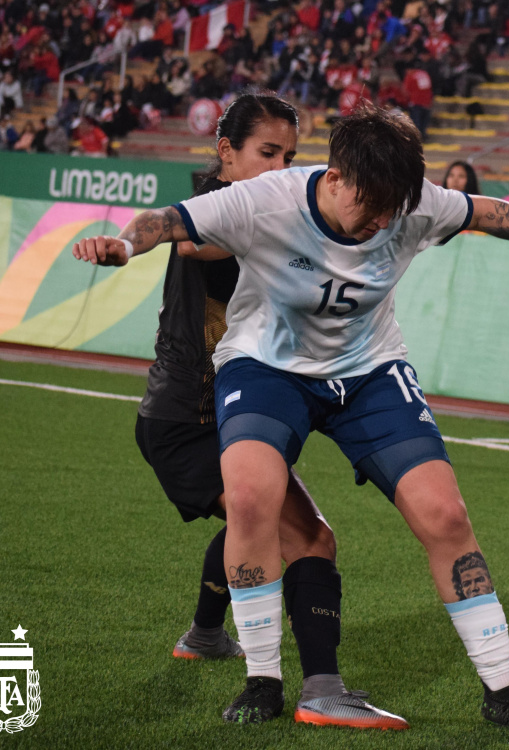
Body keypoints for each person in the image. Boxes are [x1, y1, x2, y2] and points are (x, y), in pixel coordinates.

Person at [73, 102, 509, 738]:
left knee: (446, 515)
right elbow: (168, 220)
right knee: (253, 498)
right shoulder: (266, 198)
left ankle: (504, 690)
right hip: (265, 367)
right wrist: (124, 243)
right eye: (371, 206)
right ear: (335, 176)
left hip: (369, 372)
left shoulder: (409, 200)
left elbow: (484, 211)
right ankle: (262, 680)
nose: (381, 223)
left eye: (394, 209)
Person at [128, 92, 410, 729]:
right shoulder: (214, 219)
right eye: (266, 153)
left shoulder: (271, 211)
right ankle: (316, 689)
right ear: (226, 153)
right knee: (307, 537)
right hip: (192, 420)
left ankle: (204, 633)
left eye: (289, 154)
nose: (281, 166)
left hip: (216, 410)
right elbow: (195, 244)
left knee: (251, 516)